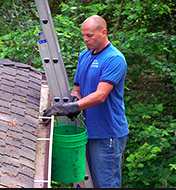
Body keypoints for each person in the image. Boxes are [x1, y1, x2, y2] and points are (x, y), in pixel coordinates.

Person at [43, 15, 129, 188]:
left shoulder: (114, 59)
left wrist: (69, 107)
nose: (85, 40)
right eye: (83, 35)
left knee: (105, 184)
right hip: (86, 132)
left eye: (89, 36)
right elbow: (78, 87)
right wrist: (75, 98)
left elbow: (100, 95)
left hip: (107, 134)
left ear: (103, 32)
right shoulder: (85, 55)